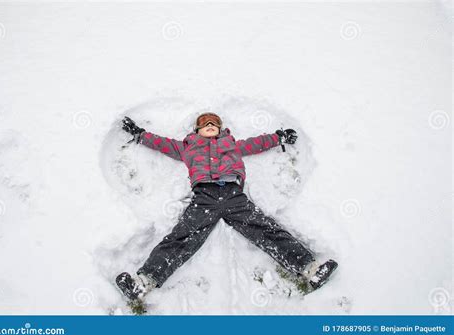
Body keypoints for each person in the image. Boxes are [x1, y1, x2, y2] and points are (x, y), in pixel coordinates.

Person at [116, 112, 338, 301]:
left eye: (214, 123)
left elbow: (256, 143)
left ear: (221, 129)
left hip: (234, 196)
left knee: (266, 230)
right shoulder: (187, 147)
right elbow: (162, 143)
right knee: (182, 237)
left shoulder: (231, 144)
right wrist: (140, 134)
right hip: (205, 198)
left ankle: (310, 269)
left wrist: (278, 137)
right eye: (205, 124)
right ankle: (143, 281)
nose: (210, 126)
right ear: (197, 131)